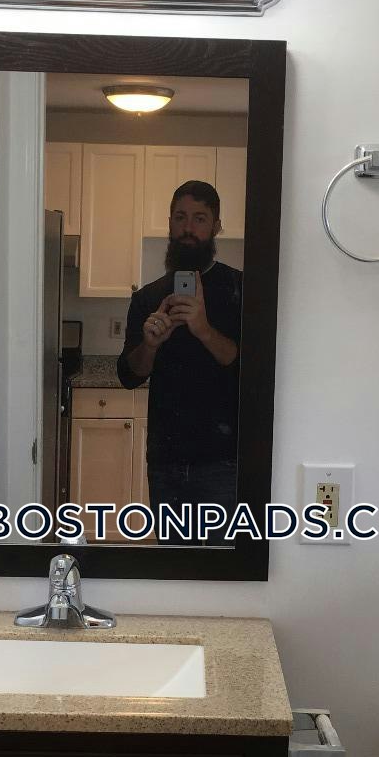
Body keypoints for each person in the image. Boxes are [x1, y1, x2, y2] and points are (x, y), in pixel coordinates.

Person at [116, 180, 241, 542]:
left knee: (221, 563)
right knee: (173, 562)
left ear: (216, 226)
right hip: (165, 459)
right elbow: (129, 375)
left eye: (200, 218)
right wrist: (150, 345)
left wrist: (203, 330)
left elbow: (250, 370)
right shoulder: (148, 298)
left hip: (223, 459)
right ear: (169, 222)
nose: (188, 228)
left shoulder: (240, 289)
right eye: (180, 217)